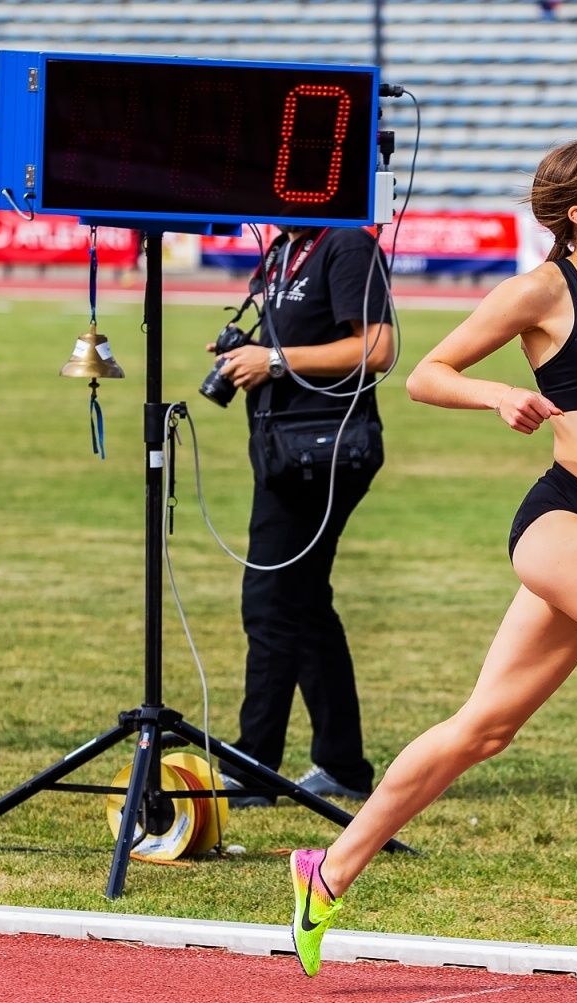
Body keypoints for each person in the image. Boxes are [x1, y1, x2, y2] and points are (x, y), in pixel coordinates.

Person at [286, 137, 577, 976]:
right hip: (561, 526)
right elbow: (424, 374)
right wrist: (498, 392)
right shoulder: (540, 291)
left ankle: (327, 870)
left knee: (485, 728)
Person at [211, 225, 394, 806]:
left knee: (270, 603)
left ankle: (252, 766)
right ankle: (342, 764)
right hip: (287, 448)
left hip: (321, 451)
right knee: (306, 607)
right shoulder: (287, 246)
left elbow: (377, 348)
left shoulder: (346, 244)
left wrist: (273, 359)